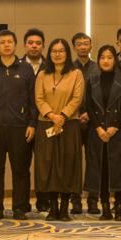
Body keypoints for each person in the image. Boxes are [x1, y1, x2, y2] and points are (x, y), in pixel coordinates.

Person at [0, 30, 36, 220]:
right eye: (2, 42)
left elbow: (32, 99)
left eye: (9, 41)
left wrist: (32, 123)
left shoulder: (26, 69)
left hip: (19, 127)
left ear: (15, 44)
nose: (6, 45)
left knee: (21, 170)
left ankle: (20, 207)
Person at [33, 38, 85, 221]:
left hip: (69, 125)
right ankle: (52, 207)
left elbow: (77, 98)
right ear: (49, 54)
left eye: (61, 51)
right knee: (48, 166)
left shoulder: (76, 74)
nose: (57, 54)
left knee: (67, 165)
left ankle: (64, 208)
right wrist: (52, 116)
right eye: (54, 51)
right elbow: (39, 98)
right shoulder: (42, 74)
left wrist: (62, 116)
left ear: (67, 53)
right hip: (46, 123)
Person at [87, 45, 121, 221]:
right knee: (102, 171)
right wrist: (99, 128)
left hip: (117, 131)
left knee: (118, 170)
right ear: (98, 60)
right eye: (102, 57)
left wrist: (114, 126)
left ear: (115, 60)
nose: (106, 60)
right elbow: (89, 107)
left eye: (109, 57)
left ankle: (119, 207)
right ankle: (105, 207)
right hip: (98, 132)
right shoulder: (92, 80)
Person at [70, 31, 100, 215]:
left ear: (91, 46)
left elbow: (101, 95)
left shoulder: (98, 67)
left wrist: (90, 113)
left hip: (93, 121)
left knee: (94, 161)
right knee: (73, 161)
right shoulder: (68, 68)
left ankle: (93, 200)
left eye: (86, 43)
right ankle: (75, 200)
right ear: (74, 47)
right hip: (72, 120)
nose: (82, 47)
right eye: (79, 44)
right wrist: (75, 113)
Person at [21, 28, 47, 211]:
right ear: (25, 45)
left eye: (38, 43)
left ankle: (43, 201)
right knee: (22, 165)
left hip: (46, 122)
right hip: (22, 124)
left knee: (43, 164)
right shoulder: (18, 65)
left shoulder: (50, 66)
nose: (34, 46)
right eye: (30, 43)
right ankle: (23, 202)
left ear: (43, 46)